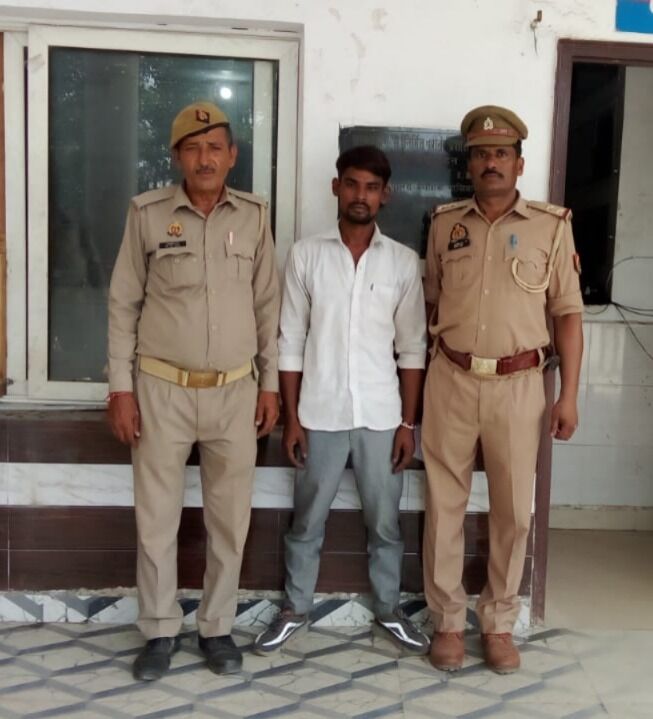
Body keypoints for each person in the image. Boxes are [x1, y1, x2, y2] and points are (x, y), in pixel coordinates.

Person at [107, 101, 280, 681]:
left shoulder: (254, 217)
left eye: (214, 148)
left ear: (232, 156)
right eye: (192, 148)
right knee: (156, 518)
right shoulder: (148, 214)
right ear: (177, 156)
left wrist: (270, 385)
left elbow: (267, 307)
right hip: (161, 389)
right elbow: (123, 304)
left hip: (235, 391)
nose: (204, 158)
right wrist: (120, 389)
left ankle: (216, 627)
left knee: (229, 519)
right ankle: (159, 629)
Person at [422, 106, 583, 674]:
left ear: (519, 163)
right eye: (480, 154)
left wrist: (568, 395)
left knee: (513, 511)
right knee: (444, 507)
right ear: (468, 164)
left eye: (500, 153)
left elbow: (567, 314)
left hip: (519, 385)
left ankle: (497, 624)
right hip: (451, 378)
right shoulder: (444, 225)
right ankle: (446, 622)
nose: (490, 162)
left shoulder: (550, 226)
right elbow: (431, 302)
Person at [254, 145, 429, 656]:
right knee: (307, 519)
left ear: (385, 195)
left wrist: (407, 424)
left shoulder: (402, 262)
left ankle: (389, 609)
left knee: (385, 522)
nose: (361, 195)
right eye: (352, 184)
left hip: (381, 416)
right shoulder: (306, 255)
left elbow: (412, 348)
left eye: (372, 187)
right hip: (319, 412)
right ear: (336, 187)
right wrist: (291, 420)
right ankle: (295, 609)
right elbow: (290, 340)